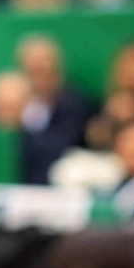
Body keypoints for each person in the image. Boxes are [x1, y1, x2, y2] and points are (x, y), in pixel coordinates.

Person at [17, 35, 93, 185]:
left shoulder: (72, 104)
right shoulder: (18, 103)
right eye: (36, 71)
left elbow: (65, 144)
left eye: (46, 70)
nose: (41, 76)